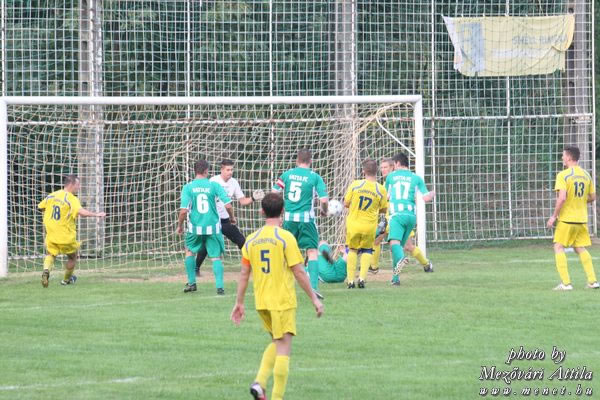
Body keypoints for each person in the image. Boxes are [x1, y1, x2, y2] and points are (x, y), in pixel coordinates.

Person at [231, 192, 323, 400]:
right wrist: (314, 299)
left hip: (261, 302)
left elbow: (244, 273)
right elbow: (298, 271)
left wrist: (239, 303)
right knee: (284, 348)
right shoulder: (285, 237)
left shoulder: (251, 240)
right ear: (283, 211)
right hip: (281, 301)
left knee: (277, 341)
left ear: (261, 211)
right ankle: (265, 387)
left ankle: (260, 385)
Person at [272, 148, 328, 299]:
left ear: (297, 160)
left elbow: (274, 194)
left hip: (289, 219)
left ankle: (281, 285)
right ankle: (313, 287)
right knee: (312, 251)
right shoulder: (315, 177)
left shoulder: (287, 174)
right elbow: (323, 200)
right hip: (306, 220)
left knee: (285, 252)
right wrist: (324, 211)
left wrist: (277, 213)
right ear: (310, 161)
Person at [195, 159, 264, 276]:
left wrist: (253, 198)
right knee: (206, 246)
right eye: (228, 170)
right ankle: (196, 269)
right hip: (213, 220)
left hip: (225, 220)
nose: (230, 172)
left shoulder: (234, 182)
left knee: (241, 241)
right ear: (221, 170)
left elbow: (242, 201)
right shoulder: (213, 181)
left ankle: (256, 265)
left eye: (232, 169)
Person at [38, 175, 106, 288]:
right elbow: (81, 212)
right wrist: (96, 214)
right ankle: (66, 280)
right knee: (72, 257)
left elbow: (40, 207)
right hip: (65, 235)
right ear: (71, 184)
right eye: (78, 185)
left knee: (51, 254)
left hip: (51, 233)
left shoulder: (52, 195)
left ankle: (46, 271)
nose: (79, 187)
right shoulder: (71, 198)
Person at [177, 159, 233, 295]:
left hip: (195, 228)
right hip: (212, 228)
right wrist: (232, 218)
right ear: (207, 171)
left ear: (195, 171)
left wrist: (180, 226)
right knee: (216, 257)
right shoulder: (214, 185)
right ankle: (220, 287)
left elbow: (183, 211)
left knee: (189, 252)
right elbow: (228, 205)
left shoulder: (188, 187)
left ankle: (192, 283)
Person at [546, 146, 599, 290]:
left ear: (569, 157)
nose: (562, 158)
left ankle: (566, 283)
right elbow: (593, 197)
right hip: (582, 219)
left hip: (567, 219)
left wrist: (554, 216)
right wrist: (579, 201)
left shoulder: (563, 175)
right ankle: (593, 281)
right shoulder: (586, 175)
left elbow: (562, 198)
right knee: (579, 247)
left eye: (563, 155)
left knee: (558, 246)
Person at [370, 158, 433, 274]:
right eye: (381, 167)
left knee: (408, 247)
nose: (383, 170)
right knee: (376, 239)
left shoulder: (395, 180)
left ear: (393, 167)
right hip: (389, 219)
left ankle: (426, 264)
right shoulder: (387, 182)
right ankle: (373, 267)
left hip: (398, 218)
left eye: (386, 167)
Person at [385, 153, 435, 286]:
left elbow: (385, 196)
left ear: (397, 163)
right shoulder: (416, 178)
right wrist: (432, 193)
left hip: (397, 215)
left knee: (394, 245)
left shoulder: (391, 177)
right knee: (399, 246)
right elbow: (426, 198)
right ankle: (395, 279)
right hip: (411, 217)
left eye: (393, 164)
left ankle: (402, 258)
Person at [343, 159, 388, 289]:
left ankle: (350, 281)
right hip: (369, 226)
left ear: (363, 171)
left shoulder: (355, 185)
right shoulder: (381, 189)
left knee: (352, 250)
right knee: (367, 250)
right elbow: (384, 209)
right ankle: (362, 279)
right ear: (377, 171)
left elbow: (346, 203)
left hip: (354, 224)